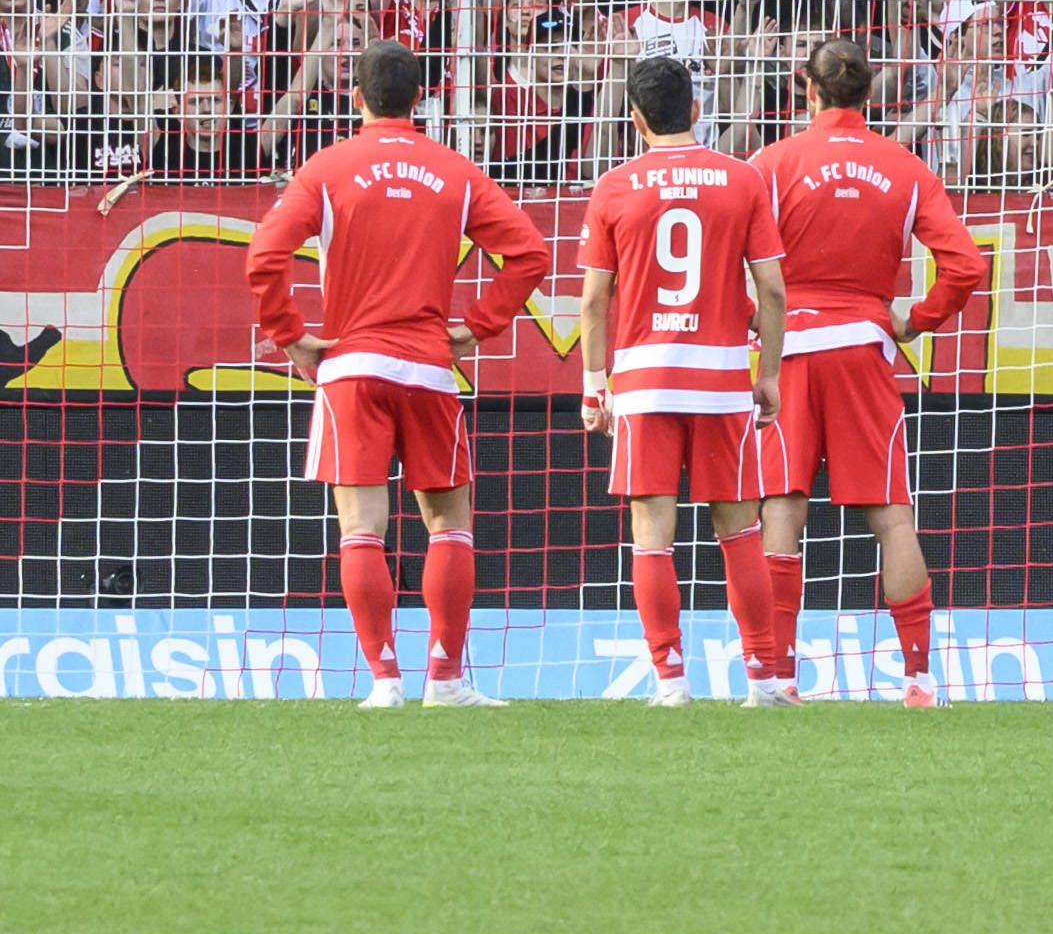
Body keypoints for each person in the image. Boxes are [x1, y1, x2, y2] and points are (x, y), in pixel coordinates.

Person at [244, 44, 557, 709]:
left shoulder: (327, 167)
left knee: (362, 525)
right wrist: (480, 321)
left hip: (351, 364)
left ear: (355, 96)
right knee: (449, 522)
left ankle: (384, 679)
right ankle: (445, 679)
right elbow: (530, 251)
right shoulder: (452, 169)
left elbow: (264, 254)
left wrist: (291, 334)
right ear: (420, 98)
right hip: (426, 364)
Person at [754, 41, 988, 708]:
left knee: (783, 507)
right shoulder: (905, 166)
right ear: (869, 94)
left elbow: (731, 250)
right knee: (891, 517)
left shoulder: (774, 163)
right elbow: (966, 264)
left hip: (791, 349)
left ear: (809, 90)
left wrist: (752, 316)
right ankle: (917, 678)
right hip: (864, 347)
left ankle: (779, 677)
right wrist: (918, 317)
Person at [572, 57, 789, 708]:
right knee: (740, 531)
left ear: (634, 119)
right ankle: (764, 678)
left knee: (652, 533)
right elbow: (773, 289)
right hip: (721, 377)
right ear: (696, 110)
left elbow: (591, 301)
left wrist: (592, 385)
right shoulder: (741, 178)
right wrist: (770, 373)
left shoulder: (614, 186)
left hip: (644, 379)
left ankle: (670, 682)